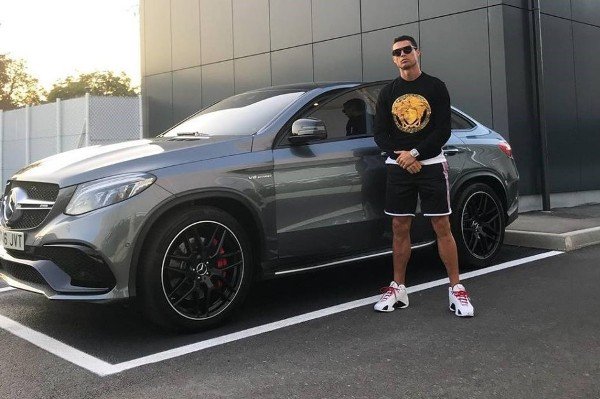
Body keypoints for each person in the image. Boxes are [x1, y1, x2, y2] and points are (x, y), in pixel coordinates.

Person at [372, 35, 474, 317]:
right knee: (399, 227)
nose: (403, 54)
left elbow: (442, 129)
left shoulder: (435, 86)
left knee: (442, 226)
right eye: (397, 52)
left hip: (430, 163)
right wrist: (403, 156)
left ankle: (457, 289)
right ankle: (399, 289)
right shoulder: (388, 92)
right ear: (393, 59)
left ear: (418, 52)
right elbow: (380, 133)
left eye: (407, 49)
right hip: (399, 167)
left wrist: (415, 153)